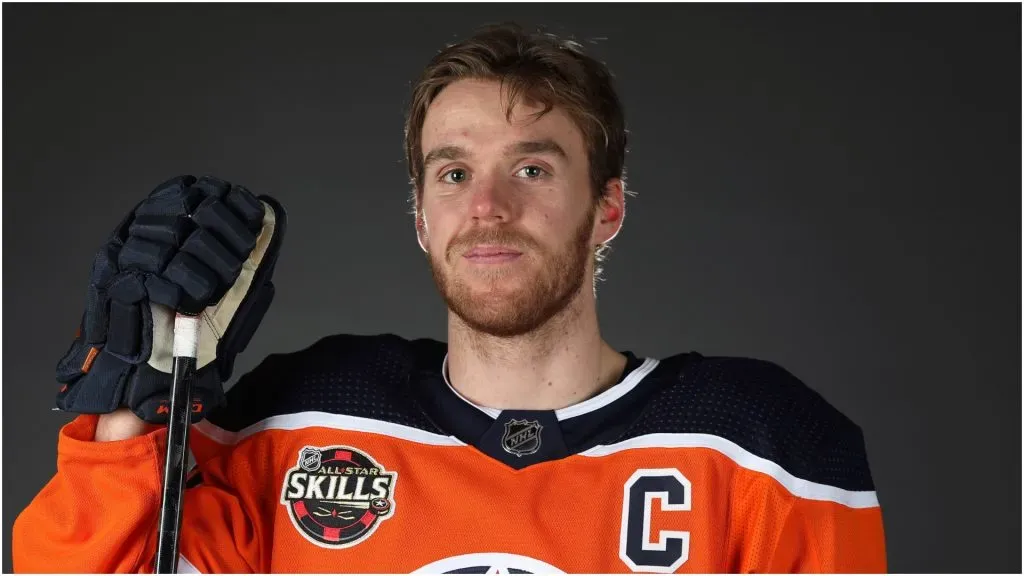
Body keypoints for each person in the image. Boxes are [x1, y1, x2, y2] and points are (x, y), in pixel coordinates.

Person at [13, 22, 887, 573]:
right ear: (422, 217)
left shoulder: (764, 449)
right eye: (454, 172)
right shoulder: (304, 423)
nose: (488, 208)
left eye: (533, 169)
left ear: (608, 207)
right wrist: (130, 410)